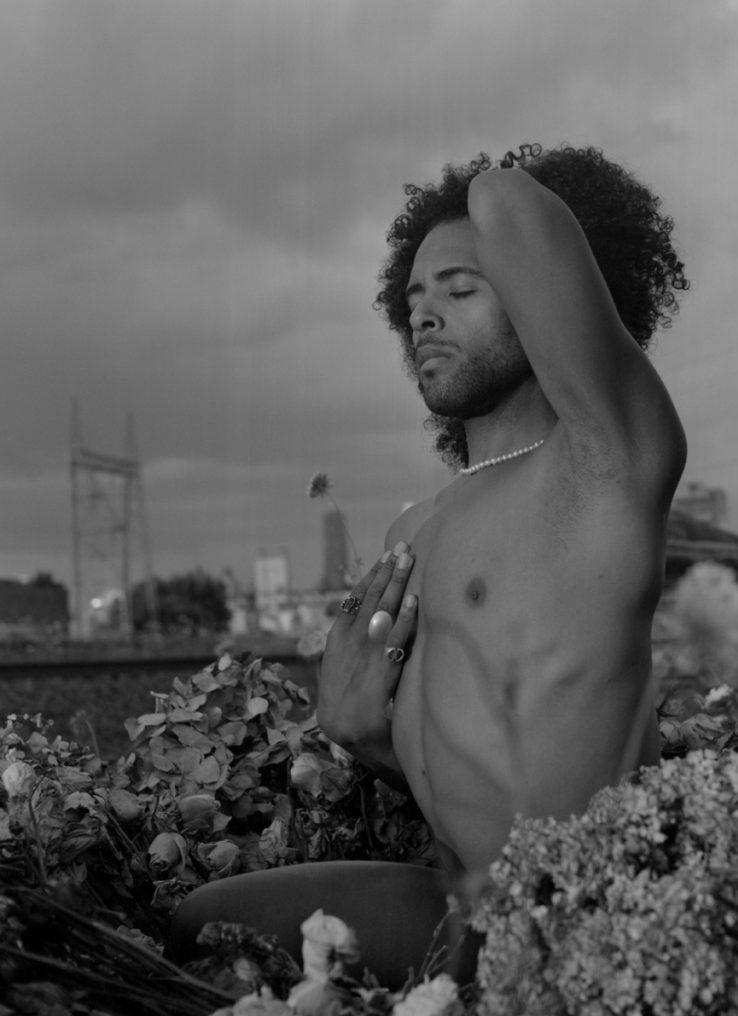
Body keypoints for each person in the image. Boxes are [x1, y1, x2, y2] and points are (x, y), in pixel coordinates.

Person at [169, 143, 687, 984]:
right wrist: (363, 734)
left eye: (460, 287)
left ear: (539, 297)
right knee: (200, 924)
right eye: (412, 297)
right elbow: (472, 781)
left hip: (579, 924)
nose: (424, 316)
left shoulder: (604, 466)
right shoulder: (415, 526)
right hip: (459, 903)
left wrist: (477, 193)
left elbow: (511, 207)